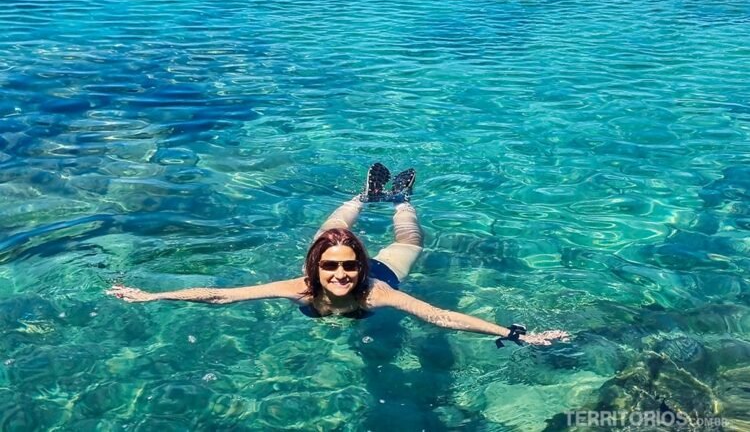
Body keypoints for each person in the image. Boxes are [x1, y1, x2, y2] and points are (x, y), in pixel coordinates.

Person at [107, 163, 569, 346]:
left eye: (348, 265)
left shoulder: (377, 292)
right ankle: (364, 196)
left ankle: (402, 200)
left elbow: (440, 316)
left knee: (408, 241)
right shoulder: (301, 286)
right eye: (331, 266)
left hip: (386, 271)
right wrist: (151, 297)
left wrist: (514, 333)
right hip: (332, 260)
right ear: (315, 269)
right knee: (332, 230)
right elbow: (220, 295)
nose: (342, 274)